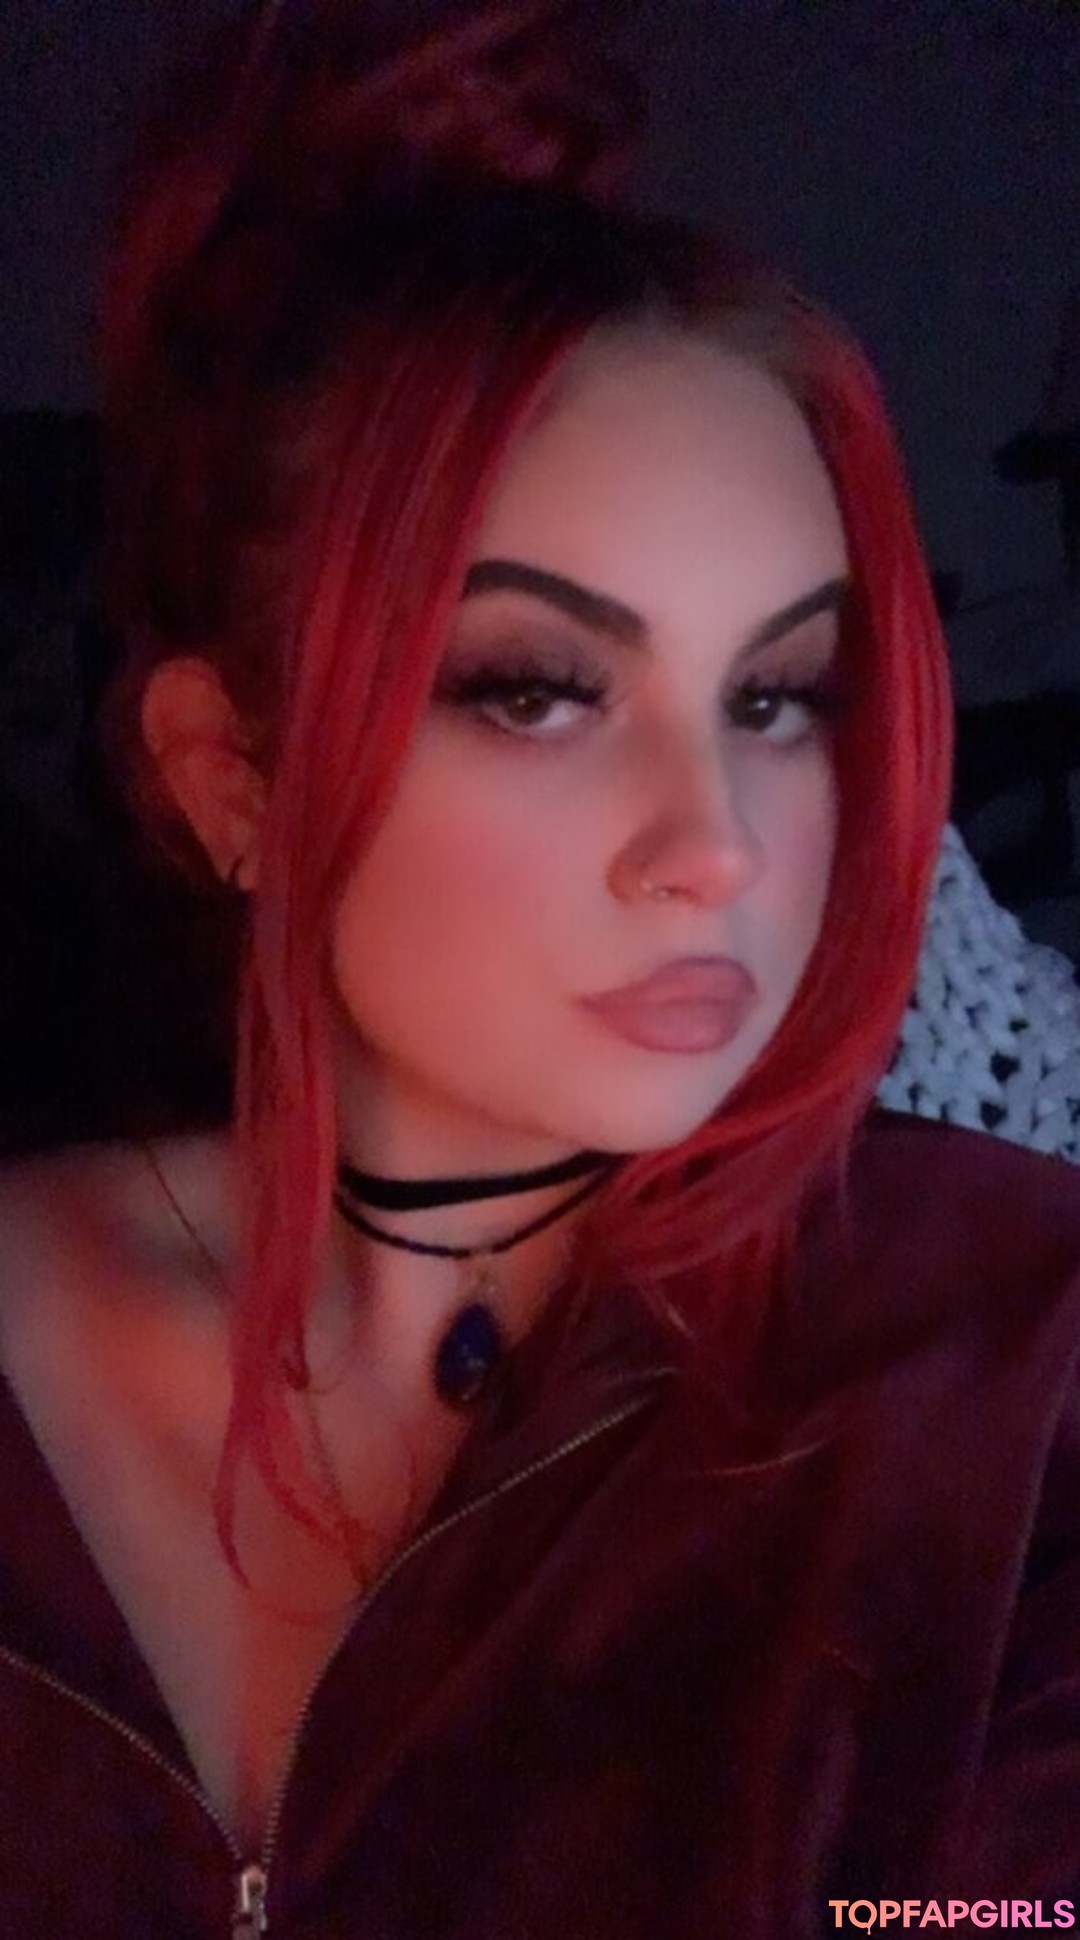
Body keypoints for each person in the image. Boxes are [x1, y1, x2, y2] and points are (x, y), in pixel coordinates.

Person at [1, 3, 1079, 1933]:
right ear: (233, 779)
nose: (720, 846)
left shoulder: (1011, 1373)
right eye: (536, 690)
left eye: (779, 694)